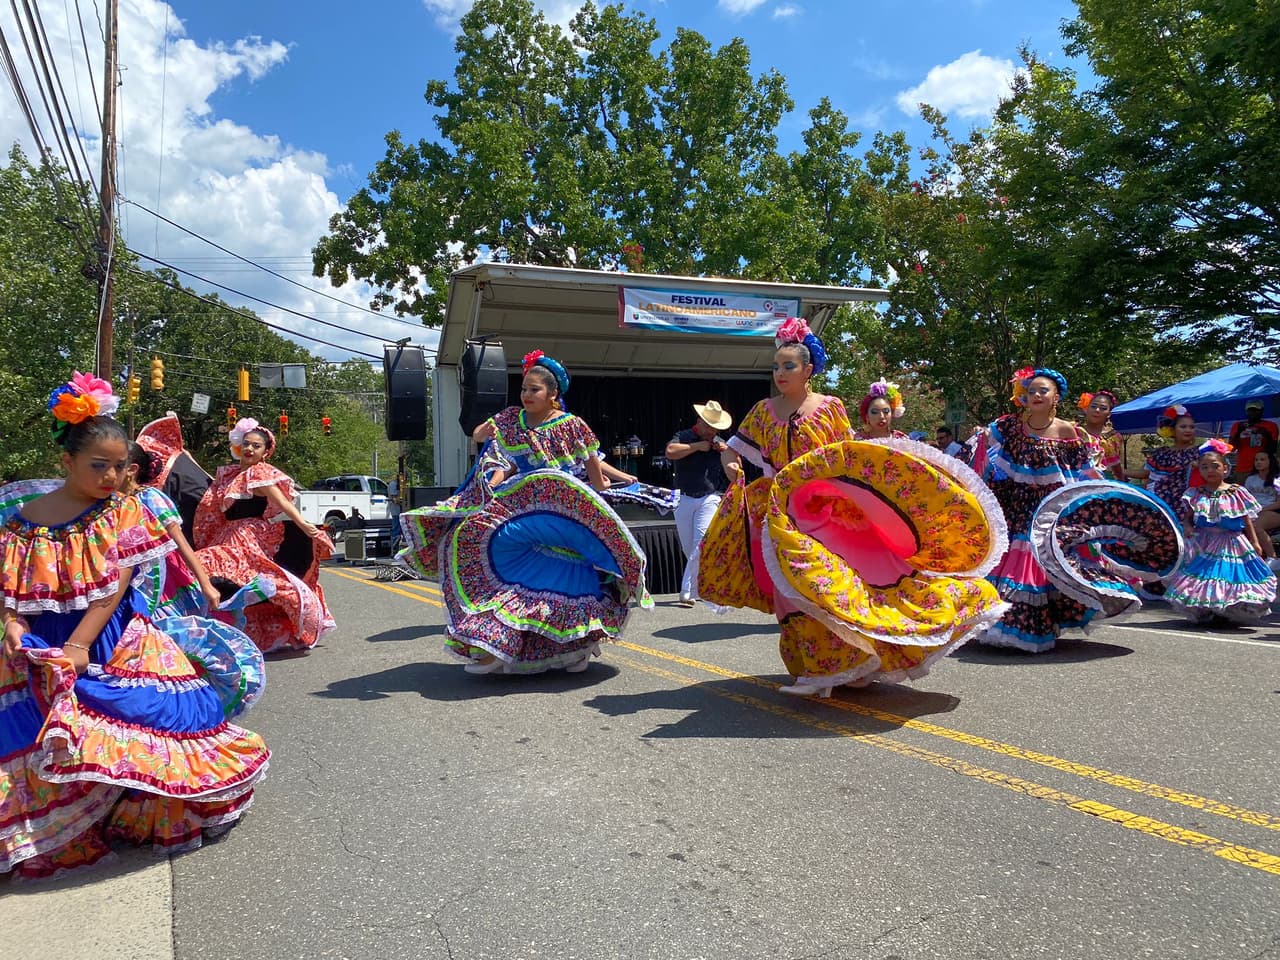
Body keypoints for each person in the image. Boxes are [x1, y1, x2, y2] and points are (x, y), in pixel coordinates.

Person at [0, 374, 268, 878]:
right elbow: (9, 588)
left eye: (120, 466)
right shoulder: (21, 521)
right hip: (41, 644)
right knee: (44, 736)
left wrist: (80, 647)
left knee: (152, 723)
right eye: (98, 465)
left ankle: (132, 810)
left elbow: (112, 589)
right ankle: (70, 826)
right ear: (67, 462)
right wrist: (13, 627)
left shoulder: (123, 511)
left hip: (112, 637)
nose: (110, 475)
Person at [697, 317, 1008, 697]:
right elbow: (734, 446)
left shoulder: (828, 407)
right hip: (779, 512)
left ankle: (855, 659)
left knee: (835, 585)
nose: (780, 373)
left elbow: (848, 457)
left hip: (825, 509)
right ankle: (818, 667)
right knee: (788, 591)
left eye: (788, 365)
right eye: (776, 366)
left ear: (808, 369)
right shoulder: (763, 410)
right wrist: (730, 462)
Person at [399, 349, 652, 675]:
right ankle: (499, 644)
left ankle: (578, 646)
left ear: (553, 394)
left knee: (570, 576)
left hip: (565, 510)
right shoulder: (511, 420)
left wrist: (614, 497)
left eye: (535, 389)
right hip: (525, 508)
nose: (527, 395)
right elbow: (485, 441)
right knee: (479, 538)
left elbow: (596, 476)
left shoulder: (572, 426)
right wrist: (487, 438)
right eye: (524, 389)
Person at [977, 367, 1106, 652]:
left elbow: (1080, 471)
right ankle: (1004, 626)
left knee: (1042, 565)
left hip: (1049, 510)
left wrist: (1094, 499)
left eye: (1042, 390)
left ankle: (1033, 627)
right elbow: (986, 448)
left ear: (1056, 397)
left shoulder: (1066, 430)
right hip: (1016, 505)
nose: (1036, 395)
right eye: (1031, 390)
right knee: (1011, 563)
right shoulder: (1012, 426)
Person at [193, 418, 335, 653]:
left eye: (256, 446)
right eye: (246, 444)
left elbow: (283, 503)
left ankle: (289, 612)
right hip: (226, 535)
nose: (249, 449)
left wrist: (304, 525)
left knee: (225, 568)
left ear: (265, 452)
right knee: (211, 571)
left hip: (249, 537)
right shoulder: (229, 475)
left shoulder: (259, 475)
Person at [1165, 440, 1276, 623]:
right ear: (1199, 471)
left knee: (1228, 575)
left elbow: (1246, 519)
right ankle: (1211, 610)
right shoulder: (1196, 493)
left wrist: (1255, 542)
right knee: (1207, 576)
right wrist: (1187, 526)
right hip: (1205, 542)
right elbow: (1189, 516)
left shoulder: (1236, 492)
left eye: (1215, 466)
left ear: (1225, 469)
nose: (1210, 470)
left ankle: (1227, 611)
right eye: (1204, 467)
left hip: (1231, 542)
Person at [121, 441, 224, 618]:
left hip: (162, 580)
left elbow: (181, 543)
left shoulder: (149, 498)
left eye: (114, 464)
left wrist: (205, 584)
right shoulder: (109, 502)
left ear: (132, 469)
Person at [666, 401, 732, 607]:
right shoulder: (684, 436)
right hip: (683, 497)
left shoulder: (720, 443)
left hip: (709, 497)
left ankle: (687, 591)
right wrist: (696, 447)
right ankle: (702, 585)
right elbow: (670, 451)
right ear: (700, 422)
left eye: (715, 428)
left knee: (700, 543)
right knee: (689, 547)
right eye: (709, 426)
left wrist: (726, 452)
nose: (712, 431)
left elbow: (734, 465)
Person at [1126, 405, 1203, 521]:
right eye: (1183, 426)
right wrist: (1120, 470)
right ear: (1172, 429)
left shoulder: (1200, 452)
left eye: (1191, 427)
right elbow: (1146, 473)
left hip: (1189, 505)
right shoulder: (1161, 453)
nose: (1188, 430)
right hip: (1161, 504)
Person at [1077, 390, 1126, 481]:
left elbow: (1115, 466)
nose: (1097, 410)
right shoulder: (1075, 432)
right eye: (1093, 406)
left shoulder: (1113, 437)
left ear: (1109, 414)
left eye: (1103, 408)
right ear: (1086, 409)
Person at [1228, 400, 1278, 481]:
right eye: (1250, 410)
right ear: (1246, 411)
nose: (1252, 413)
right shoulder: (1237, 425)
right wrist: (1239, 432)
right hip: (1242, 469)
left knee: (1261, 493)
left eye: (1256, 410)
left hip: (1263, 469)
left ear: (1261, 411)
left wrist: (1266, 434)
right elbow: (1231, 447)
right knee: (1242, 492)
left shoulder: (1270, 426)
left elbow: (1273, 449)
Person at [1245, 450, 1280, 560]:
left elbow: (1279, 503)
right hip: (1252, 510)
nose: (1258, 462)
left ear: (1270, 461)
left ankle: (1273, 558)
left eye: (1262, 459)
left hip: (1272, 510)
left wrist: (1261, 509)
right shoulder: (1250, 479)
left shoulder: (1277, 479)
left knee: (1255, 526)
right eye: (1256, 460)